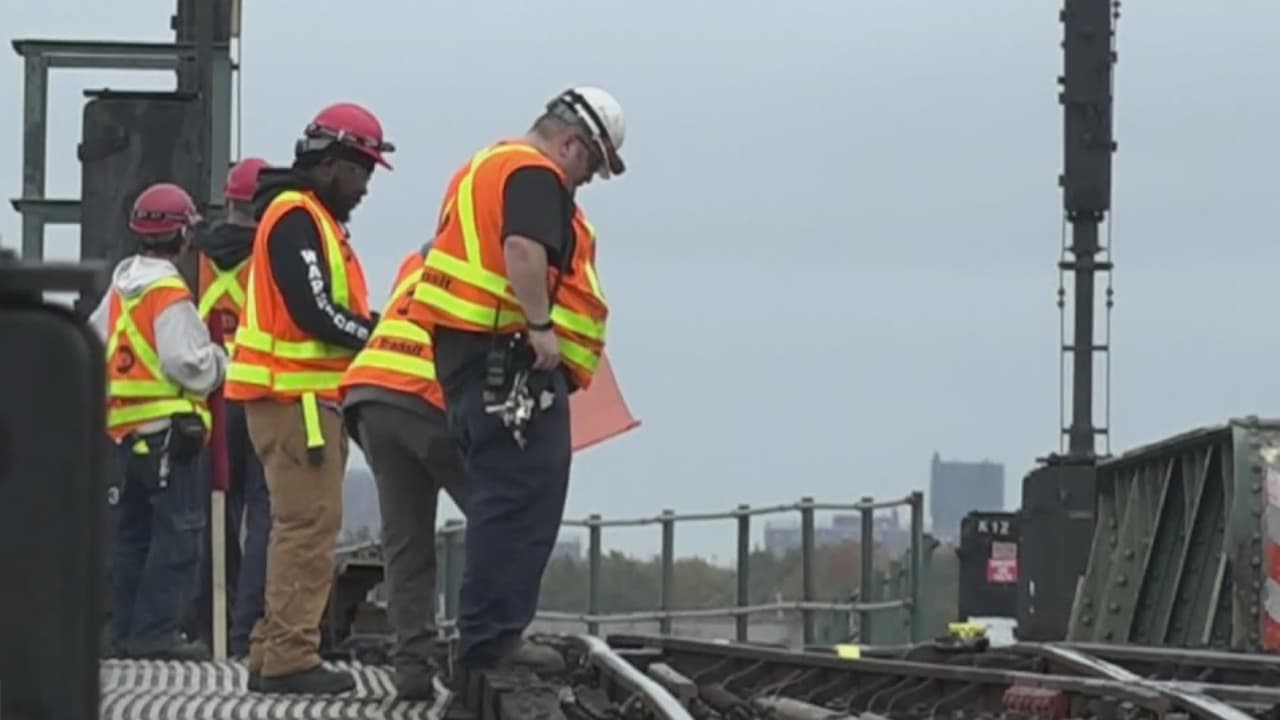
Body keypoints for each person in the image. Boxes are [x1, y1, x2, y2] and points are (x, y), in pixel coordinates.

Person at [407, 86, 624, 675]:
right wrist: (540, 326)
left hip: (473, 363)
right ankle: (491, 643)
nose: (587, 181)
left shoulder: (481, 169)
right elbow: (524, 248)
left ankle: (488, 639)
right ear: (570, 143)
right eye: (592, 166)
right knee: (522, 502)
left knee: (503, 500)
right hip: (510, 362)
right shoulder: (534, 173)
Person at [223, 103, 391, 695]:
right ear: (330, 164)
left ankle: (274, 650)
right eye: (361, 171)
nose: (365, 186)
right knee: (308, 529)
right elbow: (314, 312)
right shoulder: (298, 217)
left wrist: (370, 327)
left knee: (294, 528)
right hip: (297, 404)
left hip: (292, 402)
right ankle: (291, 657)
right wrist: (376, 336)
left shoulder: (303, 217)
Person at [89, 182, 228, 661]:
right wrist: (219, 359)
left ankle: (126, 633)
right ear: (183, 235)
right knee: (179, 536)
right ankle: (155, 635)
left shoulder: (119, 288)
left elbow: (93, 343)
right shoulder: (169, 291)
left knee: (133, 535)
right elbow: (186, 362)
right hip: (172, 434)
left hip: (126, 435)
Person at [337, 240, 466, 700]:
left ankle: (412, 670)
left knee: (406, 540)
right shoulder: (491, 265)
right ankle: (487, 654)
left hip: (371, 398)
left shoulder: (418, 260)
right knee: (504, 521)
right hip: (426, 399)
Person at [187, 157, 271, 658]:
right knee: (266, 511)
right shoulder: (272, 251)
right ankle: (247, 631)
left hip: (208, 393)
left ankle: (208, 626)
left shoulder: (196, 254)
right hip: (259, 389)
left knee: (216, 507)